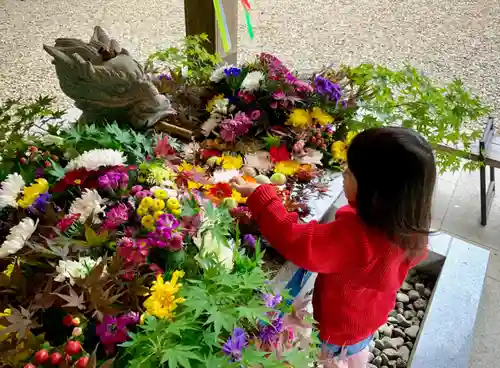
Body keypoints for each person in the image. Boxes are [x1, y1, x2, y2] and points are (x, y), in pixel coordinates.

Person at [231, 127, 436, 368]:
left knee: (331, 360)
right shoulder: (409, 226)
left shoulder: (355, 239)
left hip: (336, 333)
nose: (344, 175)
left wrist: (261, 196)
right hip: (365, 321)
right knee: (354, 355)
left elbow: (295, 241)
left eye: (349, 172)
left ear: (374, 194)